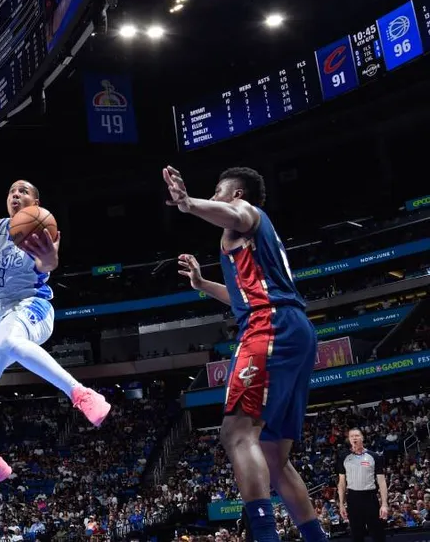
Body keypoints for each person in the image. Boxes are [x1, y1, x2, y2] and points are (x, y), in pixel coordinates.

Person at [163, 165, 327, 542]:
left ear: (237, 195)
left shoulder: (247, 214)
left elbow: (236, 214)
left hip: (269, 325)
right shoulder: (246, 245)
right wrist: (202, 284)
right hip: (292, 328)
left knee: (236, 432)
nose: (214, 196)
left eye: (218, 191)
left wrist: (188, 203)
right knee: (274, 457)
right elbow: (241, 298)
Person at [0, 180, 110, 498]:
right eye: (11, 191)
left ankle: (81, 394)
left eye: (23, 191)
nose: (15, 195)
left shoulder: (42, 227)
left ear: (36, 202)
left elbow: (48, 264)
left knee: (7, 340)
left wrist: (50, 257)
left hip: (34, 304)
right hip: (3, 315)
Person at [337, 428, 388, 542]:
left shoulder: (374, 456)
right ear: (349, 439)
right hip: (353, 498)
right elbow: (341, 483)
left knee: (378, 534)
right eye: (351, 436)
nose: (354, 438)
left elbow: (382, 481)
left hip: (370, 498)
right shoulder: (344, 457)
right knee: (356, 535)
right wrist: (341, 504)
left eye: (357, 435)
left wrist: (384, 504)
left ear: (362, 438)